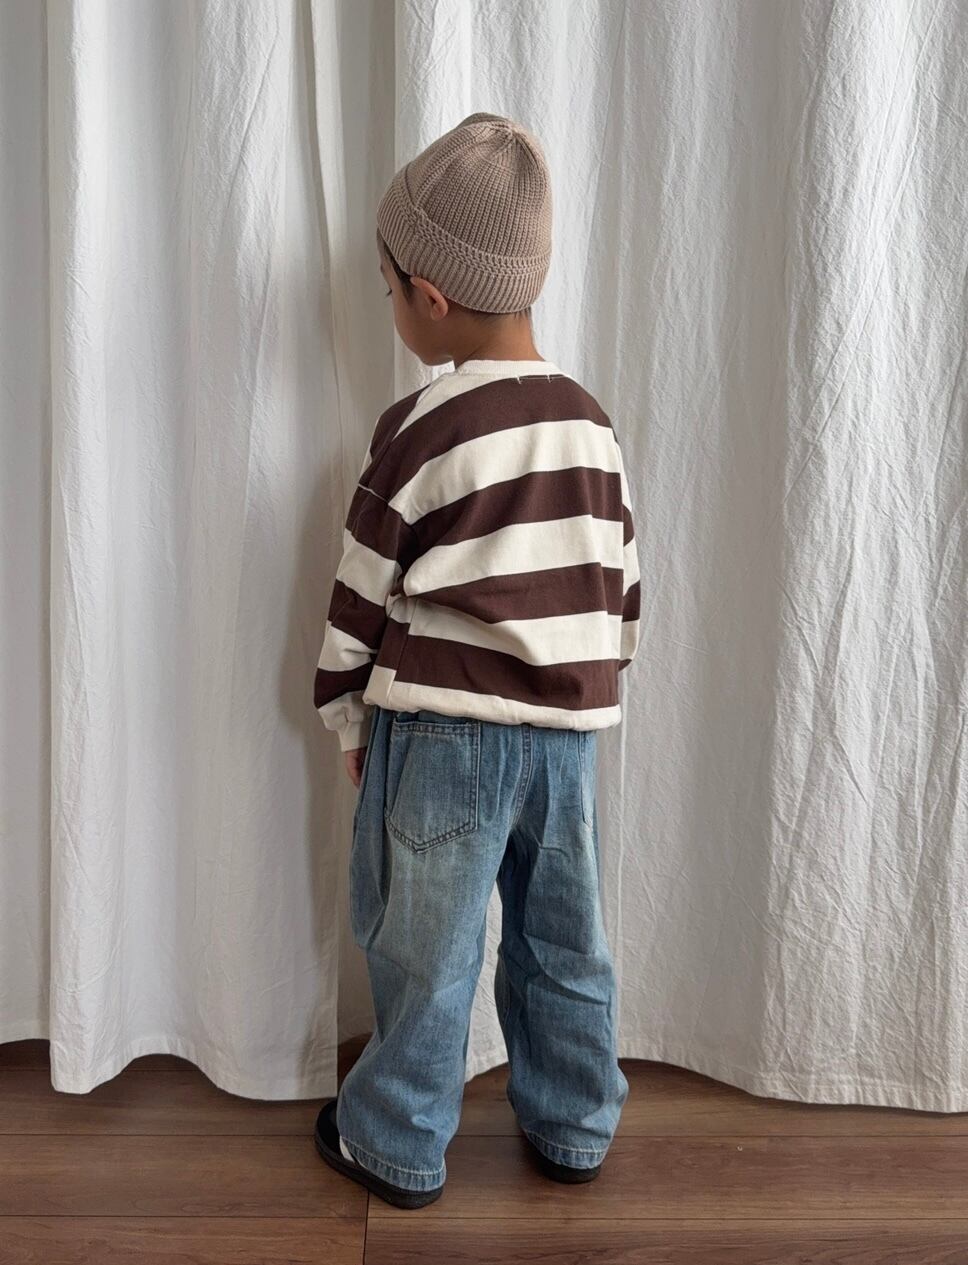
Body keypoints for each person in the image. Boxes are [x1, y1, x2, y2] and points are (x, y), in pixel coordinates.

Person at [311, 112, 640, 1210]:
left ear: (431, 296)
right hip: (565, 738)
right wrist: (592, 681)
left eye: (388, 288)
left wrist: (347, 711)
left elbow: (362, 588)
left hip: (443, 735)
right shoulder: (590, 426)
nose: (392, 305)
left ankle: (397, 1140)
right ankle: (574, 1124)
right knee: (565, 942)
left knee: (425, 944)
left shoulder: (419, 426)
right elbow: (621, 583)